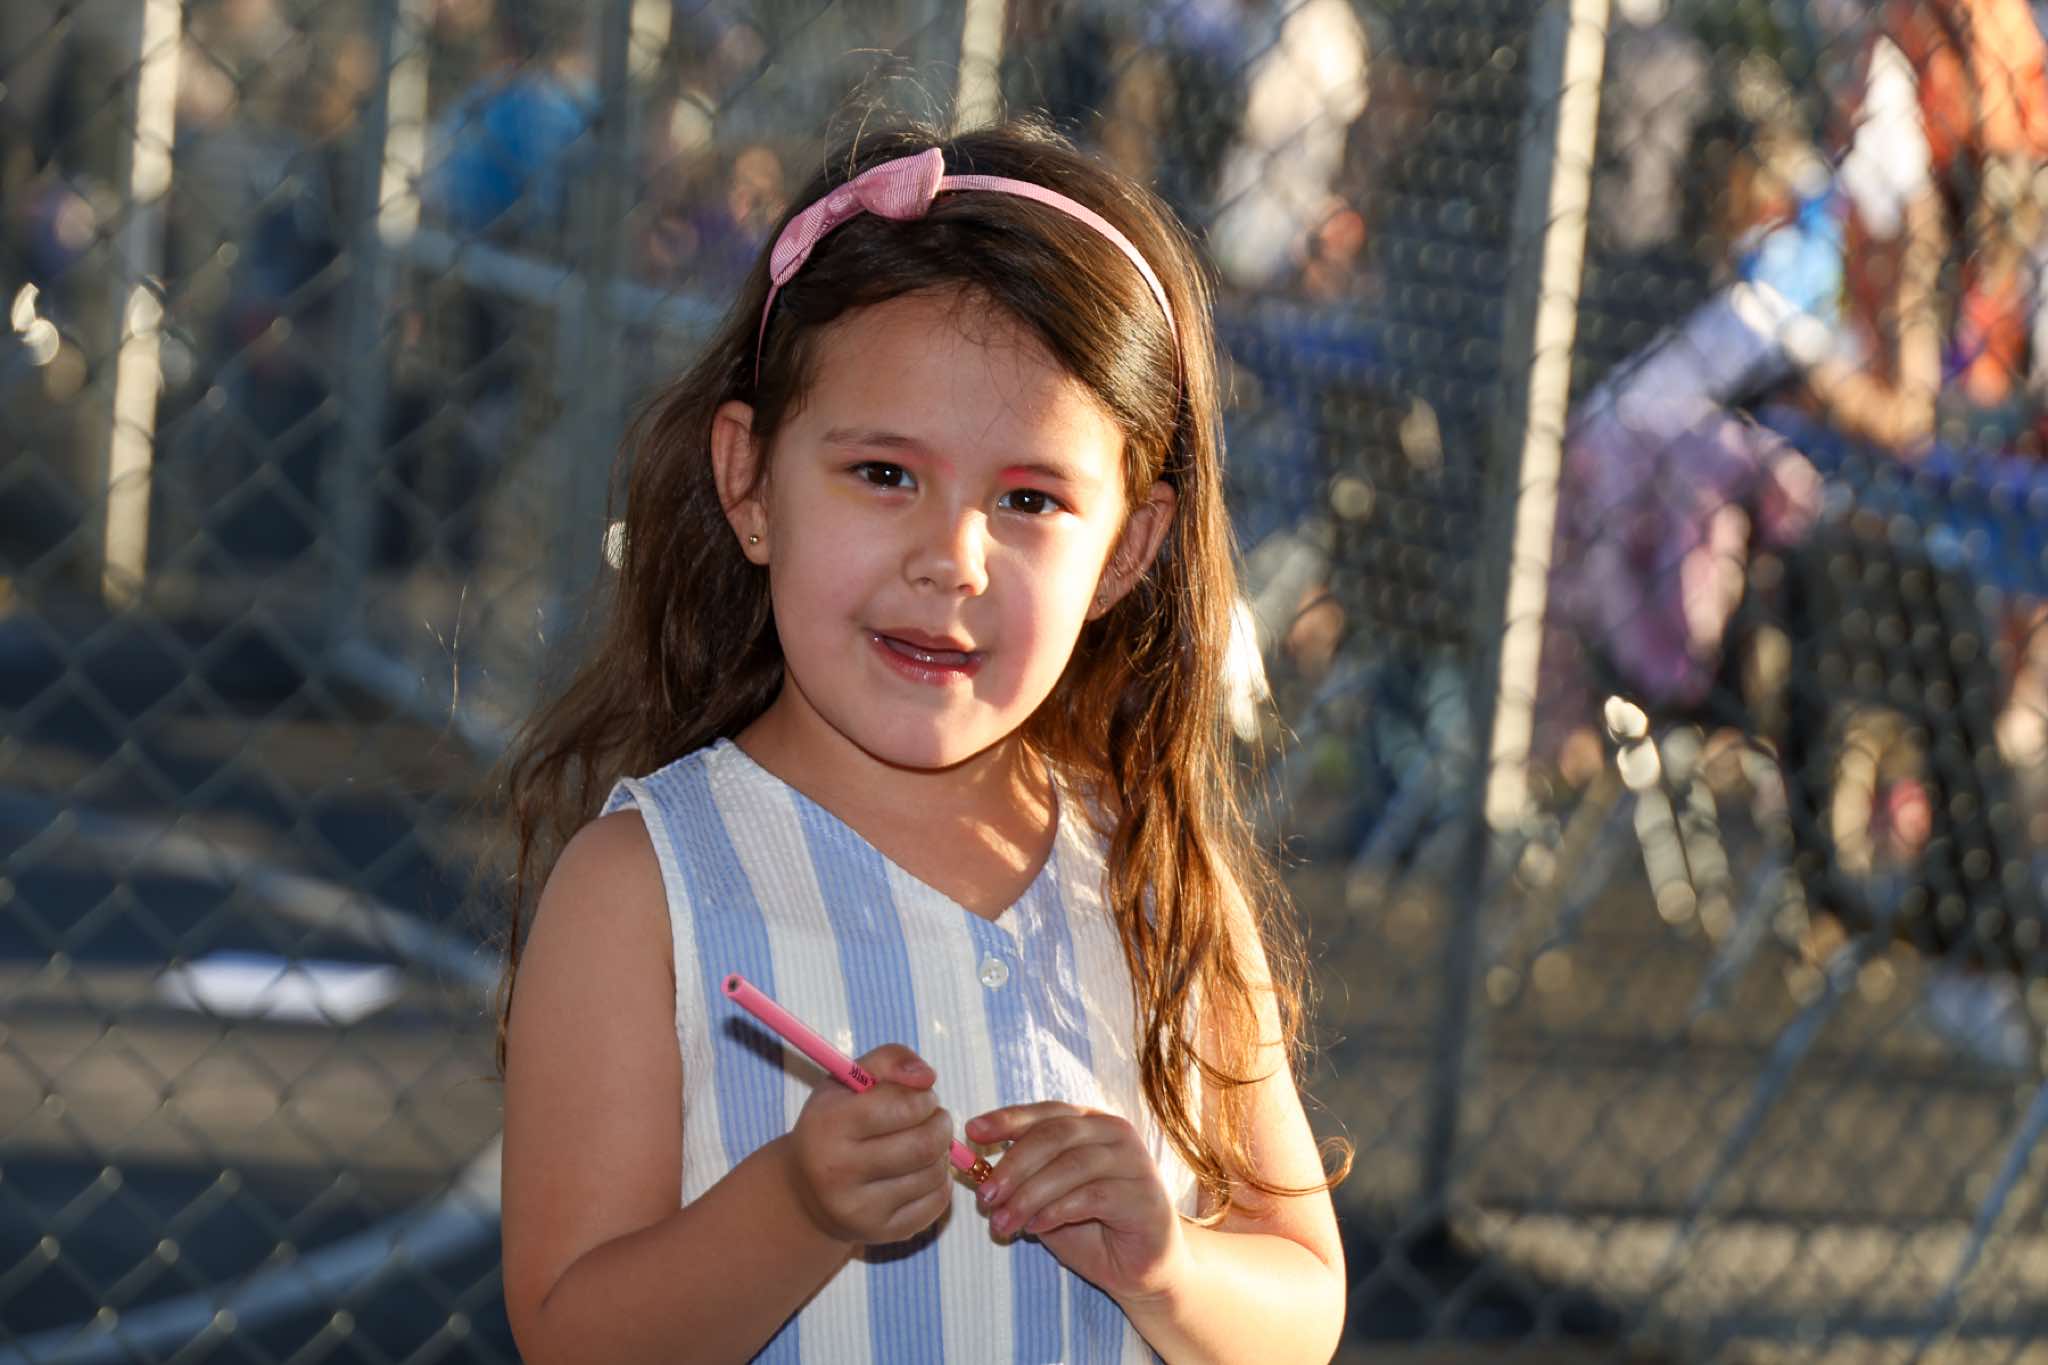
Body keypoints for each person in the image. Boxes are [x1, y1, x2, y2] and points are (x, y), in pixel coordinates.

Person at [492, 119, 1351, 1362]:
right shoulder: (645, 888)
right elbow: (572, 1336)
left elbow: (1302, 1306)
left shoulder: (1162, 879)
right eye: (884, 474)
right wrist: (793, 1209)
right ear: (749, 483)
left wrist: (1168, 1263)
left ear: (1126, 549)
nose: (951, 559)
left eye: (1029, 500)